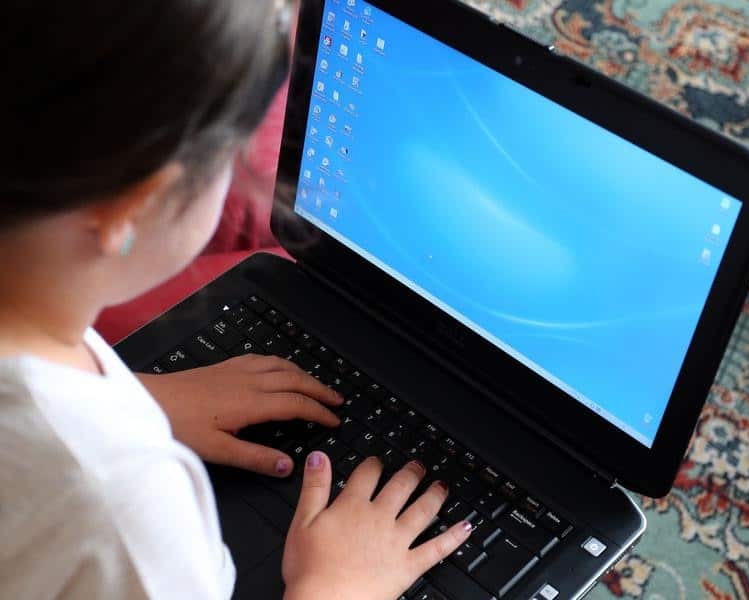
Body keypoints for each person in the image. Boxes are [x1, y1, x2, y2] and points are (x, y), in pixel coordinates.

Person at [0, 1, 472, 598]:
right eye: (228, 154)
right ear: (133, 207)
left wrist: (141, 398)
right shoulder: (124, 504)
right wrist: (335, 586)